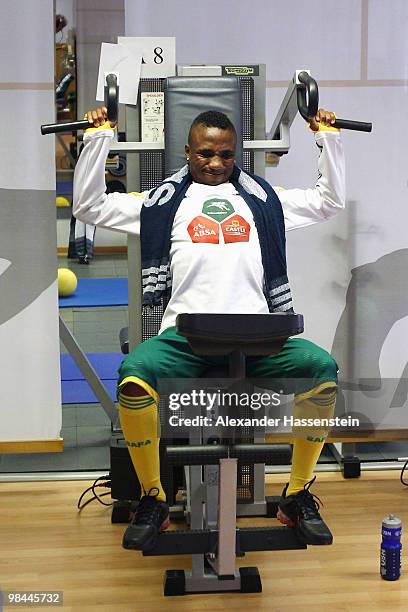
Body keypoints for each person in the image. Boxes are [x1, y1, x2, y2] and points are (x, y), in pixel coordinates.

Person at [73, 105, 345, 552]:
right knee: (134, 378)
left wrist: (328, 140)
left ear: (234, 152)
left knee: (322, 372)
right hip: (186, 339)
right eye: (205, 154)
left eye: (225, 154)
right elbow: (88, 205)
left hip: (260, 336)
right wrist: (98, 138)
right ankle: (153, 497)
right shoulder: (160, 204)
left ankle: (296, 494)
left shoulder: (266, 201)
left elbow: (328, 201)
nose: (216, 163)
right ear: (187, 152)